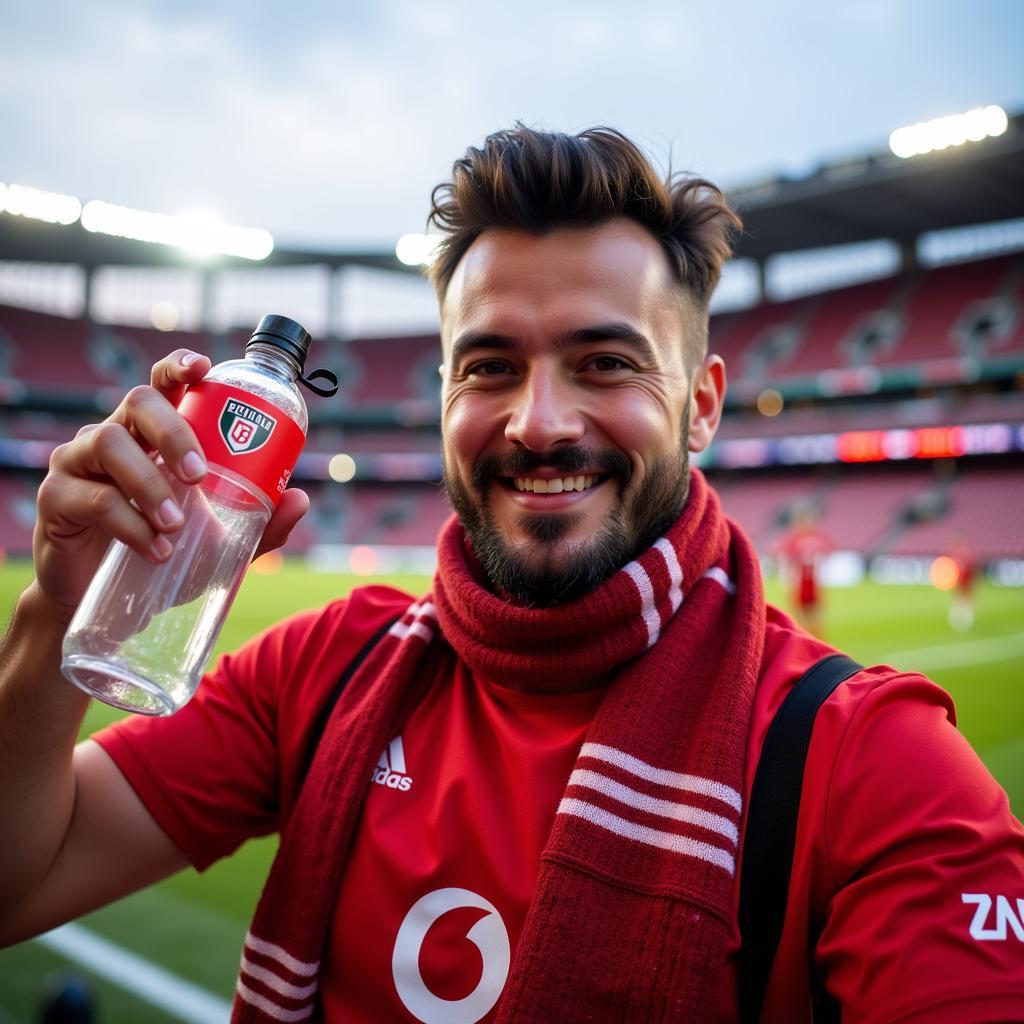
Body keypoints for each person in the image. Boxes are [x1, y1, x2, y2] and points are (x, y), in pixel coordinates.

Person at [1, 126, 1022, 1024]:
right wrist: (60, 615)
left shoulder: (875, 767)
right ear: (445, 394)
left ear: (703, 405)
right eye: (490, 365)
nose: (538, 422)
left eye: (606, 363)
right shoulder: (325, 669)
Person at [776, 511, 833, 638]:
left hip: (811, 580)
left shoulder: (809, 539)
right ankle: (807, 639)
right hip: (801, 581)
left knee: (813, 616)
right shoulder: (796, 539)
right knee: (800, 616)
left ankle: (816, 641)